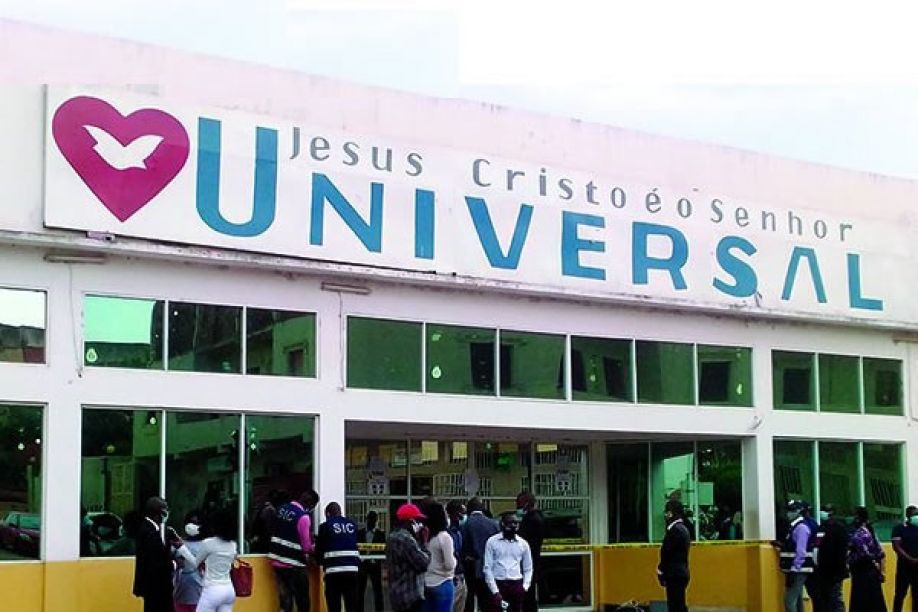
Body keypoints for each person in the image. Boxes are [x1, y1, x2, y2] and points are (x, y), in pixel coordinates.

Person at [176, 508, 239, 612]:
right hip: (229, 589)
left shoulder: (208, 543)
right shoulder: (233, 545)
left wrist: (182, 548)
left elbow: (195, 563)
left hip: (212, 589)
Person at [269, 489, 320, 612]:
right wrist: (314, 547)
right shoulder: (303, 517)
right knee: (302, 599)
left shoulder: (281, 509)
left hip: (276, 561)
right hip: (294, 564)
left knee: (285, 597)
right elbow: (306, 546)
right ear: (310, 504)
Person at [133, 496, 181, 612]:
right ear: (157, 513)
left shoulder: (152, 529)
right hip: (156, 585)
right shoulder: (149, 532)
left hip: (154, 585)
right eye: (164, 511)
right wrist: (174, 564)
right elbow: (156, 560)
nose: (166, 514)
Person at [482, 511, 533, 612]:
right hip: (498, 583)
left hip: (516, 584)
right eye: (510, 523)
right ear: (502, 524)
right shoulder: (492, 542)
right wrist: (495, 591)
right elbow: (487, 568)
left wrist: (525, 587)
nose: (513, 525)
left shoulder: (523, 544)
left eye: (516, 523)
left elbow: (528, 568)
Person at [385, 503, 431, 612]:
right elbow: (423, 564)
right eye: (417, 521)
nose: (420, 524)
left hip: (397, 594)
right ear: (410, 521)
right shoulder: (406, 539)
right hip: (410, 596)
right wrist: (424, 541)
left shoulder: (391, 537)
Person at [316, 502, 360, 612]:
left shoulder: (325, 526)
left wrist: (319, 561)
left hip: (333, 572)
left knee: (334, 605)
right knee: (352, 605)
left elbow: (319, 550)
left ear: (327, 514)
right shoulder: (352, 525)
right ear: (340, 512)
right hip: (352, 571)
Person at [462, 497, 500, 612]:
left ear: (469, 509)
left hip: (471, 567)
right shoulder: (494, 524)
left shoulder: (466, 524)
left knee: (469, 598)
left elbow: (463, 546)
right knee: (487, 601)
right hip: (490, 567)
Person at [778, 500, 817, 612]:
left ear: (799, 512)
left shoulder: (801, 528)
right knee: (798, 601)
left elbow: (801, 551)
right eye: (788, 510)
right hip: (797, 568)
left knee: (789, 600)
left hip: (799, 569)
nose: (788, 513)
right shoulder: (794, 527)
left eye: (792, 510)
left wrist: (795, 569)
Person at [848, 506, 888, 612]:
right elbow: (881, 553)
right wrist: (881, 571)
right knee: (875, 601)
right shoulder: (870, 531)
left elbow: (864, 554)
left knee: (862, 602)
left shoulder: (859, 534)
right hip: (871, 572)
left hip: (862, 571)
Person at [811, 504, 849, 612]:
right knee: (823, 598)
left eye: (825, 511)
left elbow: (841, 552)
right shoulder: (821, 527)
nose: (822, 513)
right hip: (821, 570)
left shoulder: (839, 529)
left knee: (835, 599)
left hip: (833, 572)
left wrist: (839, 572)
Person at [656, 500, 691, 612]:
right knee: (679, 604)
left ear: (670, 513)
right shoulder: (683, 529)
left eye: (667, 512)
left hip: (674, 574)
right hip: (681, 572)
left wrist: (661, 571)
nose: (665, 515)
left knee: (675, 606)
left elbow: (667, 553)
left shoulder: (674, 531)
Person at [423, 502, 456, 612]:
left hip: (427, 583)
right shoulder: (445, 537)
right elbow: (449, 565)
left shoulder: (426, 536)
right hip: (443, 582)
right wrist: (455, 560)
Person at [516, 492, 544, 612]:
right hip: (532, 560)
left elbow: (524, 539)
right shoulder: (537, 517)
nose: (517, 506)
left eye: (519, 503)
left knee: (528, 592)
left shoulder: (532, 519)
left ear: (526, 503)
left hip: (529, 560)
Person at [173, 510, 206, 612]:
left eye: (196, 523)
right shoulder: (176, 544)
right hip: (180, 595)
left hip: (201, 597)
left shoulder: (206, 545)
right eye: (190, 522)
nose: (192, 526)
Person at [358, 511, 387, 612]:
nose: (372, 522)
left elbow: (383, 549)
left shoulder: (380, 534)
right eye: (370, 520)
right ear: (367, 520)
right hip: (362, 564)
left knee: (378, 591)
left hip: (375, 565)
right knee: (360, 590)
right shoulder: (360, 533)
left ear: (376, 521)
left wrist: (377, 559)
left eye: (373, 520)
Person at [892, 505, 918, 612]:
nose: (916, 516)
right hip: (904, 567)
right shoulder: (899, 528)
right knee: (900, 594)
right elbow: (896, 546)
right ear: (908, 515)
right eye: (914, 514)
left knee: (916, 595)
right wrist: (910, 559)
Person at [445, 501, 468, 612]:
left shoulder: (458, 531)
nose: (464, 516)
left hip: (460, 576)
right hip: (452, 577)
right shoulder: (447, 533)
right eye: (462, 513)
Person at [251, 489, 286, 554]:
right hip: (265, 538)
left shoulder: (267, 508)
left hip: (264, 538)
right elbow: (266, 525)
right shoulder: (269, 510)